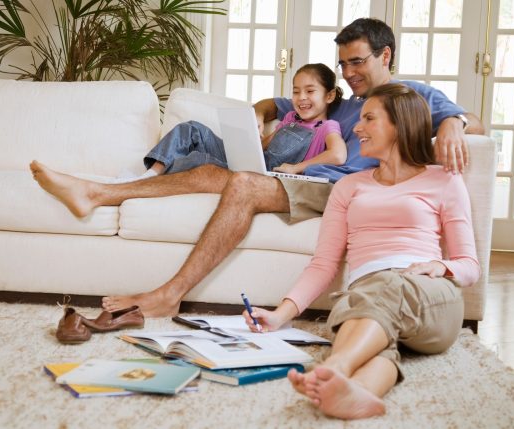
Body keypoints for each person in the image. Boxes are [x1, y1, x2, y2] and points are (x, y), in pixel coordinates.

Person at [30, 18, 484, 317]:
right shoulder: (341, 103)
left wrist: (455, 124)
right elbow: (278, 102)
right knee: (211, 173)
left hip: (342, 189)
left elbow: (475, 121)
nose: (347, 72)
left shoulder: (412, 95)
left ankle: (169, 293)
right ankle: (97, 192)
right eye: (343, 63)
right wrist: (260, 115)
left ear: (386, 56)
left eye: (357, 61)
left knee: (244, 185)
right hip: (305, 179)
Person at [242, 83, 480, 419]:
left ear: (399, 124)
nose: (356, 127)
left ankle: (335, 365)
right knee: (361, 307)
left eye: (369, 118)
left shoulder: (444, 180)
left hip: (429, 296)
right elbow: (323, 264)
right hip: (366, 298)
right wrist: (279, 315)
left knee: (386, 287)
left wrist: (440, 267)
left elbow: (469, 265)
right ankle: (359, 393)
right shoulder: (348, 186)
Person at [116, 63, 347, 183]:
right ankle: (149, 175)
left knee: (198, 160)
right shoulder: (290, 118)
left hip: (260, 175)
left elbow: (338, 155)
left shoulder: (327, 127)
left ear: (328, 96)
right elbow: (267, 148)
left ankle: (145, 181)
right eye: (296, 92)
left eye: (310, 91)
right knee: (191, 128)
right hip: (247, 160)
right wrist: (251, 140)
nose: (301, 98)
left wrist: (296, 168)